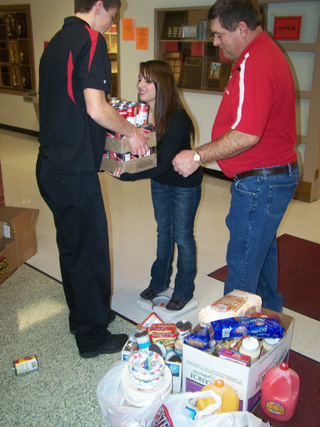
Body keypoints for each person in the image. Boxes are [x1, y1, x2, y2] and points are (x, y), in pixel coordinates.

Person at [36, 0, 149, 358]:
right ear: (100, 6)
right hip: (72, 172)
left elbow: (68, 110)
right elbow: (95, 108)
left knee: (72, 248)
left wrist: (103, 153)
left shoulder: (56, 42)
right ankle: (92, 337)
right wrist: (131, 131)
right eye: (114, 16)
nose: (112, 24)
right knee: (91, 253)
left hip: (51, 164)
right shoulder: (91, 40)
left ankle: (85, 315)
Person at [172, 0, 299, 312]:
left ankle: (232, 347)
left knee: (242, 270)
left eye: (218, 34)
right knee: (261, 260)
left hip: (262, 182)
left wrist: (197, 156)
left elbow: (246, 134)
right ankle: (269, 329)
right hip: (270, 178)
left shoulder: (256, 61)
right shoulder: (260, 55)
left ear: (242, 29)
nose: (215, 41)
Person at [111, 60, 203, 310]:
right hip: (160, 183)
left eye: (147, 80)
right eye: (140, 78)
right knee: (164, 233)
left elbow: (161, 164)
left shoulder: (177, 118)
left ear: (161, 85)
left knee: (182, 237)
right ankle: (159, 281)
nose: (140, 84)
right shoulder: (141, 116)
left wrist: (126, 175)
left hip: (184, 185)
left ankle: (184, 290)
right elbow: (140, 153)